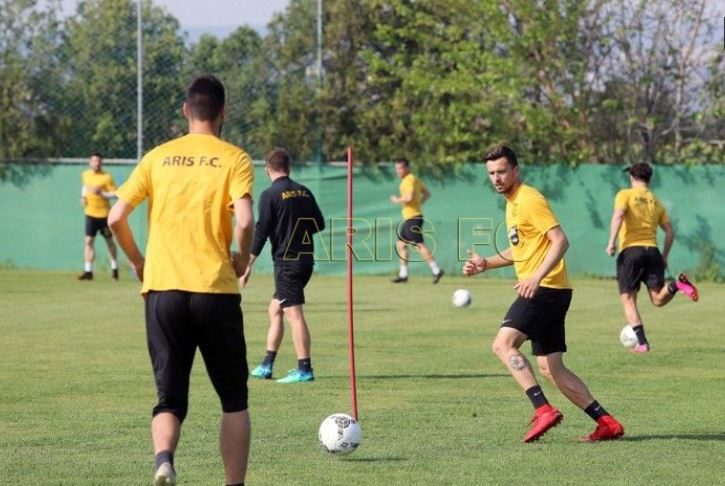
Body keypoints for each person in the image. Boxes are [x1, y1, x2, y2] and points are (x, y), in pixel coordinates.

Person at [108, 75, 254, 486]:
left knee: (169, 399)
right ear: (223, 112)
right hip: (214, 290)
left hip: (163, 289)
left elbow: (115, 218)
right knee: (234, 400)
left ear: (186, 110)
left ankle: (164, 461)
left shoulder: (157, 157)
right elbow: (245, 220)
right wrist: (242, 258)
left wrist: (138, 261)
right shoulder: (235, 158)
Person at [463, 145, 624, 443]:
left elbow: (560, 241)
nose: (496, 178)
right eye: (492, 173)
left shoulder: (529, 199)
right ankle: (607, 422)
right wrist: (487, 263)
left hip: (545, 287)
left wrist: (536, 277)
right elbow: (522, 249)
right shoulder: (512, 203)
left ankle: (543, 410)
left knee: (503, 345)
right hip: (554, 290)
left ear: (516, 170)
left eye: (502, 171)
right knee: (551, 367)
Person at [243, 147, 325, 384]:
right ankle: (267, 365)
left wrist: (248, 263)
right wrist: (297, 231)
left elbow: (262, 230)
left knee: (293, 313)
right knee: (275, 309)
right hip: (305, 260)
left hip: (287, 263)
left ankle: (304, 369)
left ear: (266, 169)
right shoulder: (304, 191)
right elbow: (319, 223)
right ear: (289, 167)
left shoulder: (269, 194)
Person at [605, 163, 699, 353]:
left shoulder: (625, 194)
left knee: (628, 299)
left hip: (631, 251)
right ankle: (676, 285)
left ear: (632, 177)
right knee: (657, 299)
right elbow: (670, 232)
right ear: (649, 179)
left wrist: (611, 242)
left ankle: (642, 343)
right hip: (653, 252)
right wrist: (664, 256)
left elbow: (619, 214)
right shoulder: (656, 201)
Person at [390, 158, 444, 284]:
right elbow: (427, 194)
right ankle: (403, 275)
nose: (398, 171)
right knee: (401, 245)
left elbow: (409, 197)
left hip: (413, 218)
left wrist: (397, 200)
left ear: (407, 168)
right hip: (411, 218)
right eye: (396, 168)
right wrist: (418, 204)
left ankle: (436, 270)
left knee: (419, 245)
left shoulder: (409, 179)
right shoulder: (414, 179)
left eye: (400, 168)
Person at [78, 152, 119, 280]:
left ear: (102, 162)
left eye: (99, 161)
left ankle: (114, 268)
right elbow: (84, 187)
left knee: (109, 241)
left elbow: (115, 194)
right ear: (90, 162)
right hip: (90, 214)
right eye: (94, 161)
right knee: (88, 241)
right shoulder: (85, 175)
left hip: (104, 215)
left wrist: (102, 193)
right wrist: (83, 197)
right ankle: (88, 271)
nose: (96, 163)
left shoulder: (107, 177)